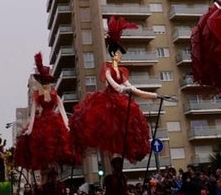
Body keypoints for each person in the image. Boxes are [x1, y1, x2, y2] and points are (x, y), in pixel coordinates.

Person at [70, 16, 166, 163]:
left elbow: (132, 88)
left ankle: (119, 158)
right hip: (108, 103)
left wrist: (154, 95)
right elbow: (113, 83)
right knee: (109, 129)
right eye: (118, 53)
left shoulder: (121, 72)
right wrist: (121, 89)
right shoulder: (108, 68)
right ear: (114, 54)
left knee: (126, 129)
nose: (120, 56)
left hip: (121, 102)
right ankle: (113, 159)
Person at [16, 52, 79, 171]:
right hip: (42, 122)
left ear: (49, 84)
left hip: (54, 121)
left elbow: (62, 110)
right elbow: (33, 114)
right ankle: (48, 169)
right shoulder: (37, 97)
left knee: (58, 144)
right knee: (42, 146)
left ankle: (55, 168)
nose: (45, 86)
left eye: (47, 83)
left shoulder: (55, 96)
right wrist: (29, 130)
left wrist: (67, 125)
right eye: (43, 83)